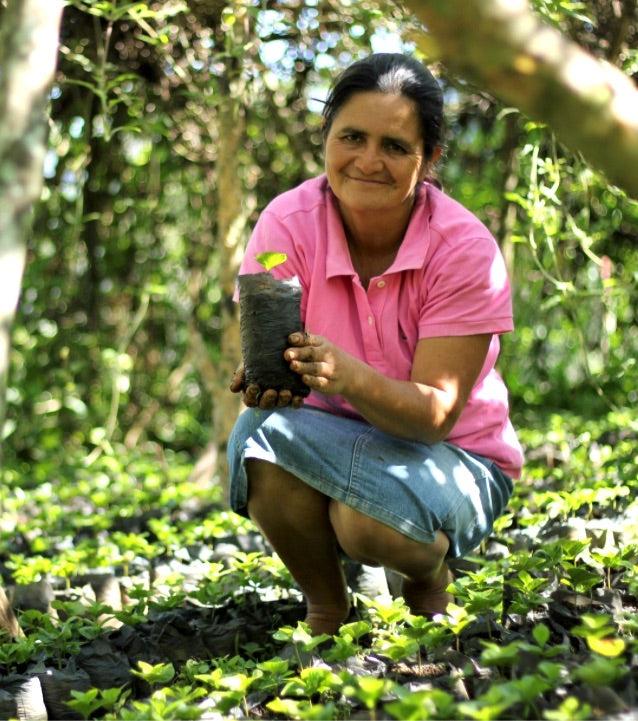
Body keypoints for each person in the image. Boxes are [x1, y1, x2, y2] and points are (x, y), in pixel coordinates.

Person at [228, 53, 523, 636]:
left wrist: (348, 374)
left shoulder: (464, 248)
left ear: (429, 159)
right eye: (353, 137)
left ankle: (427, 576)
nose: (368, 161)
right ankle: (326, 607)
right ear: (326, 137)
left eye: (394, 146)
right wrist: (268, 376)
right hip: (326, 444)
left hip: (458, 461)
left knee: (366, 523)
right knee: (256, 436)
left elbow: (436, 416)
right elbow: (274, 379)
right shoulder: (288, 222)